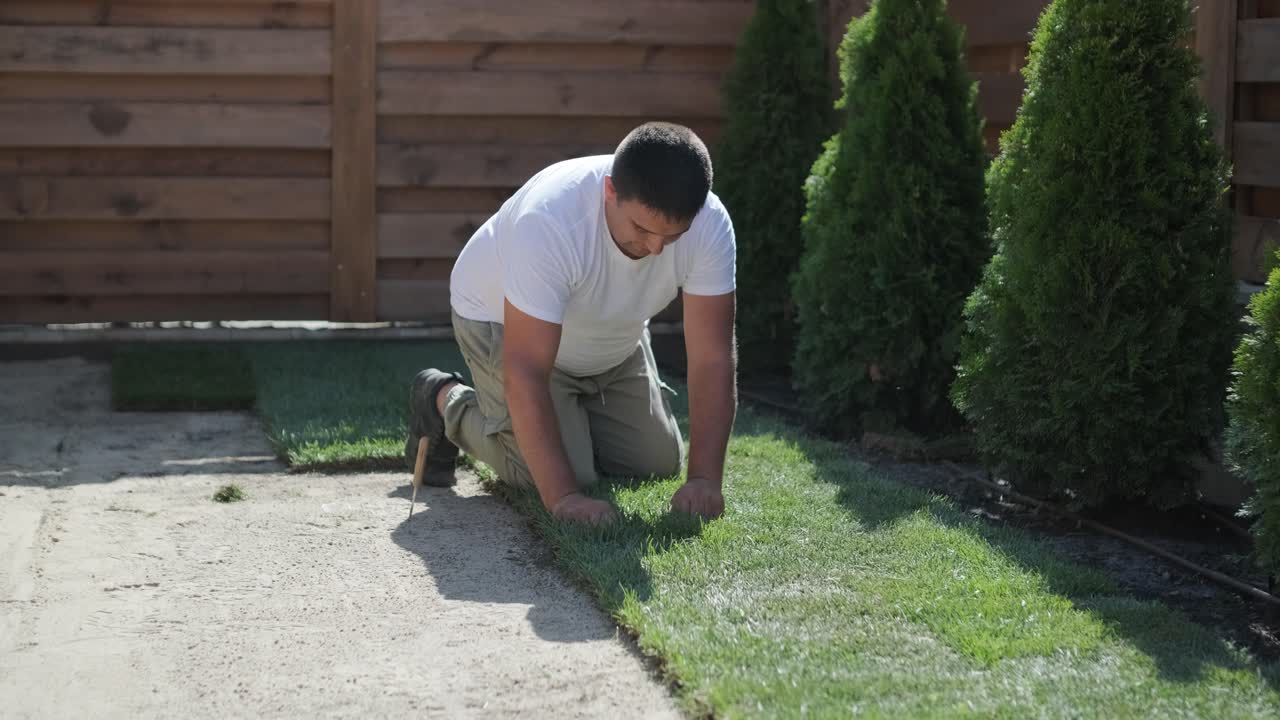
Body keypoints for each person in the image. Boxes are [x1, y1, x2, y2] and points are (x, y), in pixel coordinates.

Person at [407, 122, 737, 526]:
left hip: (610, 330)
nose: (654, 249)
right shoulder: (549, 222)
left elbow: (713, 358)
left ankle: (572, 419)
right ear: (610, 191)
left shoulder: (711, 223)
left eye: (672, 237)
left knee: (656, 463)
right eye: (641, 229)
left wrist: (704, 479)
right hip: (501, 322)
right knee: (554, 474)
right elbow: (526, 370)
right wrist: (564, 498)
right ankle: (443, 399)